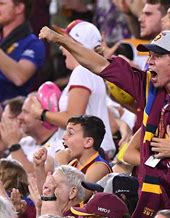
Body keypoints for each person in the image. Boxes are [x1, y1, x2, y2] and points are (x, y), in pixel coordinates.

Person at [38, 28, 170, 218]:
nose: (149, 61)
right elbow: (99, 64)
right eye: (150, 55)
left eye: (157, 56)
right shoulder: (148, 86)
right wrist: (61, 40)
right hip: (155, 192)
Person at [30, 20, 115, 158]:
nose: (61, 48)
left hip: (89, 154)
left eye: (65, 42)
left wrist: (41, 113)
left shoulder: (82, 70)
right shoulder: (92, 72)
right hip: (94, 151)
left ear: (78, 45)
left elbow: (73, 118)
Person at [58, 115, 112, 184]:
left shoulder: (100, 167)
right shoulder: (74, 163)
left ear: (88, 142)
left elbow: (80, 193)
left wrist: (62, 165)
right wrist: (40, 167)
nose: (63, 137)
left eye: (70, 133)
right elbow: (50, 192)